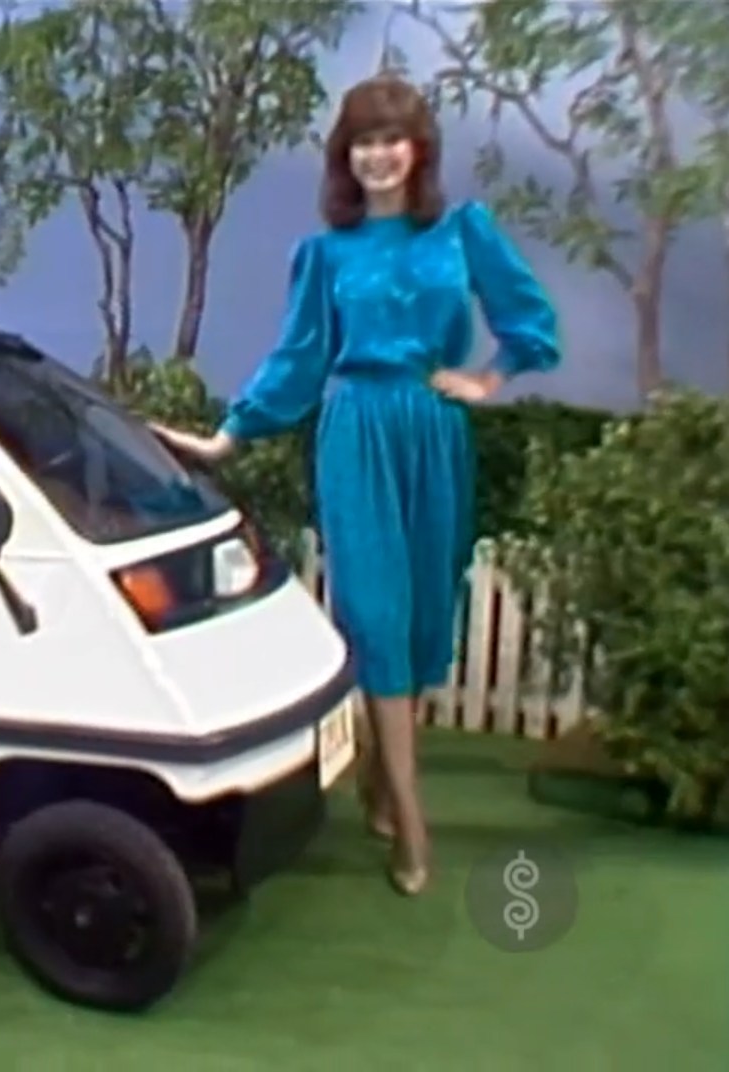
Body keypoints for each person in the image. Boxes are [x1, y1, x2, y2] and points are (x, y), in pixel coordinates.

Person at [148, 74, 562, 897]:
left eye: (391, 139)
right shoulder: (325, 254)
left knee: (419, 622)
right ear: (346, 156)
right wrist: (228, 436)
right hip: (355, 435)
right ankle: (411, 821)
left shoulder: (462, 231)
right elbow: (298, 358)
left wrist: (488, 378)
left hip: (433, 435)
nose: (377, 155)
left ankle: (379, 780)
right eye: (362, 142)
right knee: (373, 618)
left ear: (419, 150)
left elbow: (528, 319)